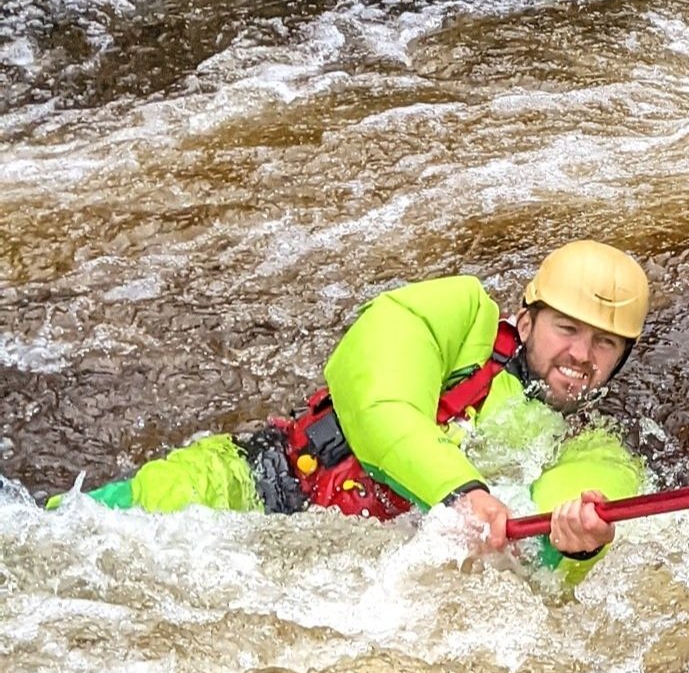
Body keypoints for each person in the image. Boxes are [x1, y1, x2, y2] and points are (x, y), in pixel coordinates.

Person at [56, 240, 654, 574]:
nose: (580, 355)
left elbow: (574, 513)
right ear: (526, 320)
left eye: (604, 343)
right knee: (63, 536)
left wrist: (574, 540)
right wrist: (464, 493)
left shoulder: (591, 446)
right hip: (266, 481)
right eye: (567, 329)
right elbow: (375, 398)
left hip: (341, 567)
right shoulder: (461, 318)